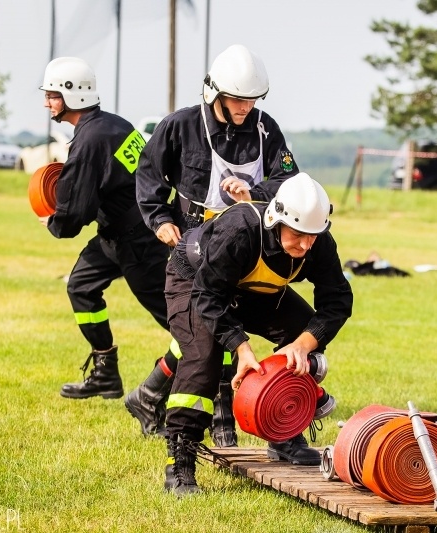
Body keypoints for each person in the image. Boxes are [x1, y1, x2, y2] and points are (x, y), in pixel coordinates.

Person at [128, 44, 301, 447]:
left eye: (252, 100)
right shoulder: (180, 126)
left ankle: (151, 393)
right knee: (208, 326)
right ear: (214, 93)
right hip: (192, 243)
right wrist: (160, 220)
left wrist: (254, 193)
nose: (245, 107)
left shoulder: (266, 129)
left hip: (246, 244)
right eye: (238, 99)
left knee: (215, 323)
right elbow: (148, 174)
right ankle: (219, 419)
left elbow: (288, 180)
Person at [161, 174, 354, 495]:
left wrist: (302, 345)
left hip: (249, 287)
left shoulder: (317, 242)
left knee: (304, 330)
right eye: (297, 235)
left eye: (313, 236)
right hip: (195, 282)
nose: (305, 245)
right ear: (276, 221)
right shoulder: (239, 231)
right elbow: (208, 297)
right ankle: (180, 461)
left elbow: (338, 300)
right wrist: (241, 347)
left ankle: (283, 431)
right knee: (204, 358)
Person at [37, 56, 177, 402]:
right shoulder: (114, 124)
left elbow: (75, 209)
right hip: (119, 234)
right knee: (81, 286)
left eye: (52, 95)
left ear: (72, 95)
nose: (46, 102)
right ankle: (106, 374)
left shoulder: (89, 142)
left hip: (141, 242)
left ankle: (222, 378)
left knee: (178, 318)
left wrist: (54, 221)